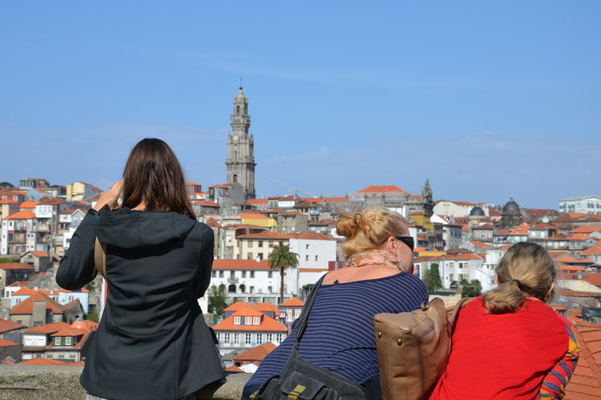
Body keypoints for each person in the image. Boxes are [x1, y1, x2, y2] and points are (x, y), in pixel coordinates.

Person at [56, 138, 224, 400]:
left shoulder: (106, 230)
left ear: (130, 179)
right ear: (175, 180)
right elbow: (198, 290)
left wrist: (97, 211)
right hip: (171, 379)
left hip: (109, 378)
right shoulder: (198, 236)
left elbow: (68, 277)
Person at [242, 208, 429, 400]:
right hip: (322, 392)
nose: (413, 253)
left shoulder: (328, 278)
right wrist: (409, 281)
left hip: (264, 385)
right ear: (393, 244)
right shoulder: (408, 284)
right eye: (410, 243)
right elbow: (414, 354)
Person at [430, 241, 580, 400]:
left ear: (497, 279)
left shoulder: (464, 311)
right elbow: (548, 394)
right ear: (550, 287)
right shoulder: (563, 331)